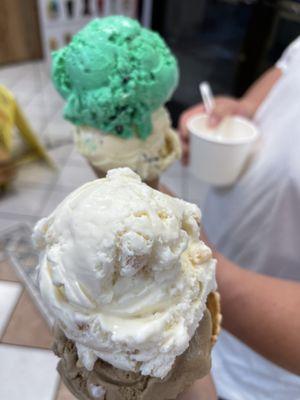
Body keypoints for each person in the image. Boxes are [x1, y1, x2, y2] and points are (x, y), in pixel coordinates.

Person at [179, 37, 300, 399]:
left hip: (268, 371)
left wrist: (201, 269)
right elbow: (288, 67)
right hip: (211, 307)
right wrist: (244, 108)